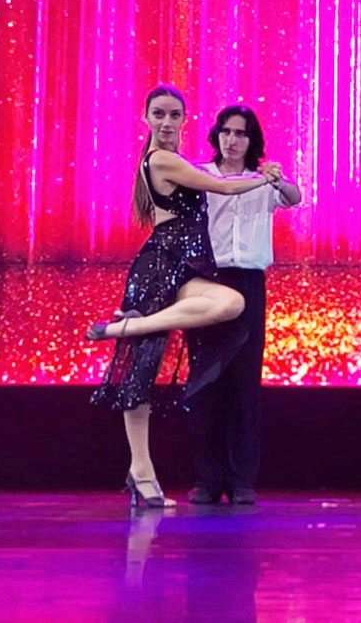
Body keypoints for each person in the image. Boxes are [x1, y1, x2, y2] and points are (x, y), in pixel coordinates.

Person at [86, 85, 280, 508]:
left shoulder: (172, 159)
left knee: (231, 303)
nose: (167, 122)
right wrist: (261, 177)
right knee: (141, 372)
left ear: (185, 119)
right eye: (159, 114)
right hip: (161, 265)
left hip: (184, 267)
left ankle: (130, 326)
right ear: (146, 118)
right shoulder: (162, 159)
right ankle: (142, 473)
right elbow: (221, 187)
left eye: (175, 115)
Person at [188, 105, 301, 506]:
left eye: (240, 133)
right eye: (226, 132)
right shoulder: (200, 176)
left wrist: (276, 178)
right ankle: (207, 480)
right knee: (206, 382)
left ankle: (241, 481)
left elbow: (295, 197)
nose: (232, 140)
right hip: (207, 283)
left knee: (243, 384)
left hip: (248, 283)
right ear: (216, 135)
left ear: (251, 141)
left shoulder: (262, 180)